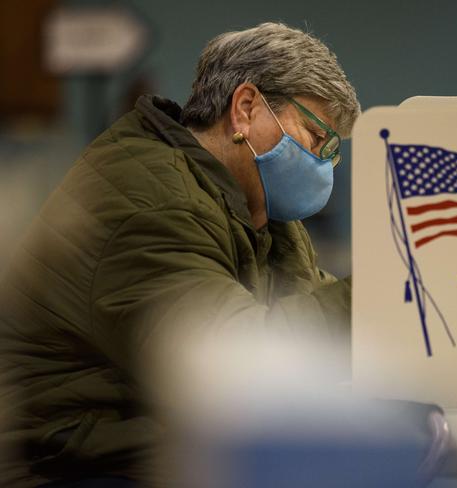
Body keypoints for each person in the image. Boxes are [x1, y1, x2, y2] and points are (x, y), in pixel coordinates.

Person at [0, 22, 360, 487]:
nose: (324, 163)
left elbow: (308, 321)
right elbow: (233, 369)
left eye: (333, 152)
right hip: (74, 465)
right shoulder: (147, 198)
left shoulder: (264, 216)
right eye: (316, 138)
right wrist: (382, 299)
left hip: (158, 447)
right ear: (245, 108)